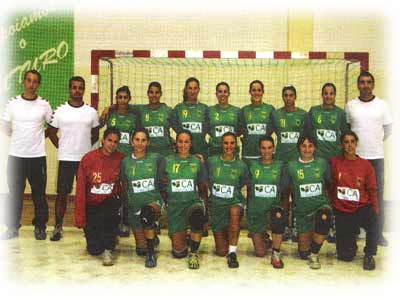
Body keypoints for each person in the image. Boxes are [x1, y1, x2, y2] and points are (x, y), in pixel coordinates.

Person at [1, 70, 53, 240]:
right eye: (29, 80)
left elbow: (52, 127)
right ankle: (12, 227)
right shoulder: (12, 104)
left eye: (35, 81)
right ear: (23, 82)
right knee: (15, 193)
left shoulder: (44, 105)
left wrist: (37, 138)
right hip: (16, 156)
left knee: (39, 194)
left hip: (37, 157)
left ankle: (40, 227)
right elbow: (4, 124)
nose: (32, 84)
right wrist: (17, 137)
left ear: (39, 84)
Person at [47, 76, 99, 241]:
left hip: (85, 161)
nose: (77, 90)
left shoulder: (91, 112)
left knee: (87, 195)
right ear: (69, 89)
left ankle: (88, 227)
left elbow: (96, 134)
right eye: (74, 87)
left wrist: (86, 150)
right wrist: (62, 147)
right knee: (62, 194)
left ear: (84, 90)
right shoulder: (60, 111)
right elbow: (51, 132)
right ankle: (58, 227)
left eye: (80, 87)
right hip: (66, 159)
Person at [345, 71, 393, 246]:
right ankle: (355, 229)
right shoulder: (350, 106)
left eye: (369, 82)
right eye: (362, 82)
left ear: (373, 85)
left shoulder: (382, 105)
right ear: (358, 85)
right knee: (354, 195)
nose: (365, 85)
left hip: (376, 158)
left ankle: (377, 233)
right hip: (355, 159)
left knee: (376, 196)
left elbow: (388, 129)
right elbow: (348, 131)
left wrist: (374, 143)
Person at [158, 130, 208, 269]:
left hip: (192, 202)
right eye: (180, 141)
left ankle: (194, 253)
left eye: (186, 141)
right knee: (178, 252)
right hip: (175, 206)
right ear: (176, 143)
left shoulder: (196, 161)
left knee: (197, 216)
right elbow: (161, 184)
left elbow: (203, 187)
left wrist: (205, 209)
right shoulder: (166, 161)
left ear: (190, 143)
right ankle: (184, 237)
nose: (183, 145)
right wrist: (165, 203)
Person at [74, 127, 124, 266]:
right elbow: (80, 190)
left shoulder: (121, 159)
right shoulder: (88, 159)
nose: (112, 144)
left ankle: (109, 247)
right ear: (103, 140)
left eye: (115, 142)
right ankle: (98, 238)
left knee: (110, 209)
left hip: (110, 205)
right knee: (94, 250)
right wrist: (80, 218)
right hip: (93, 207)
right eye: (109, 140)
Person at [329, 131, 379, 270]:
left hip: (360, 208)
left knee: (375, 220)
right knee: (345, 256)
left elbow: (372, 189)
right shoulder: (334, 162)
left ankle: (369, 255)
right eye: (346, 142)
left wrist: (375, 209)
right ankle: (350, 243)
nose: (349, 145)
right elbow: (330, 185)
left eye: (352, 141)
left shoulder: (365, 165)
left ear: (356, 144)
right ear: (342, 145)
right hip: (342, 211)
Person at [308, 83, 349, 243]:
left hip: (334, 160)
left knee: (333, 193)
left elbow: (345, 136)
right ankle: (312, 225)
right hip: (318, 160)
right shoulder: (313, 111)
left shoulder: (340, 113)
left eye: (331, 93)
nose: (328, 96)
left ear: (334, 95)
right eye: (325, 93)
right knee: (318, 192)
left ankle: (332, 226)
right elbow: (308, 135)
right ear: (322, 95)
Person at [269, 85, 311, 242]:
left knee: (298, 195)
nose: (288, 98)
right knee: (284, 195)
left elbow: (308, 138)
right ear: (282, 97)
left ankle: (296, 226)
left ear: (295, 97)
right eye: (285, 95)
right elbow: (268, 135)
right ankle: (285, 227)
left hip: (298, 162)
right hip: (281, 162)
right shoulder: (276, 114)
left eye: (291, 95)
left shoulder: (303, 115)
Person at [286, 135, 332, 269]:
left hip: (320, 207)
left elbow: (329, 184)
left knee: (325, 216)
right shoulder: (291, 166)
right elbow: (287, 190)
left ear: (315, 147)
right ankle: (312, 244)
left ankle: (315, 254)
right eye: (304, 146)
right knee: (303, 253)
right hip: (302, 213)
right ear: (299, 147)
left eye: (310, 146)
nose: (307, 149)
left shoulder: (322, 163)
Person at [120, 128, 163, 268]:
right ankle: (151, 237)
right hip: (135, 207)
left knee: (147, 214)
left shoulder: (156, 158)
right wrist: (125, 208)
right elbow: (124, 186)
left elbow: (177, 159)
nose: (140, 143)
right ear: (132, 141)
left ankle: (151, 254)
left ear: (148, 142)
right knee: (140, 250)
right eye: (137, 140)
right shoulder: (125, 162)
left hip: (153, 204)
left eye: (143, 140)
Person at [206, 132, 248, 268]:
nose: (229, 146)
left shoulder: (241, 165)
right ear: (221, 144)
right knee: (220, 251)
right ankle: (227, 237)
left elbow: (241, 184)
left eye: (232, 143)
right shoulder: (211, 162)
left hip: (234, 202)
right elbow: (205, 181)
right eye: (226, 143)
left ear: (236, 145)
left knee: (235, 212)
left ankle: (232, 253)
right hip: (217, 206)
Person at [100, 85, 138, 237]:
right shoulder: (110, 114)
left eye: (125, 97)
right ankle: (111, 220)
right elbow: (99, 125)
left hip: (126, 158)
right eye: (119, 97)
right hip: (111, 158)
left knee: (126, 190)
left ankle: (126, 221)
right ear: (116, 99)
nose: (122, 100)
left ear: (129, 99)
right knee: (112, 188)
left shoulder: (134, 117)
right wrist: (106, 111)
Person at [246, 136, 287, 268]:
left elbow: (285, 191)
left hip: (273, 209)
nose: (266, 151)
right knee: (260, 253)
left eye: (269, 148)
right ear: (259, 149)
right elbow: (249, 190)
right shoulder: (252, 165)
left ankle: (276, 253)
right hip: (256, 211)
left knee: (277, 216)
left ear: (273, 149)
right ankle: (265, 238)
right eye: (263, 148)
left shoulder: (280, 166)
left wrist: (283, 211)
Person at [171, 77, 209, 160]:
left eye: (195, 88)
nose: (192, 91)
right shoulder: (178, 108)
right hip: (183, 151)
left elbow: (207, 128)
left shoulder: (205, 109)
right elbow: (175, 127)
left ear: (198, 90)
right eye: (190, 88)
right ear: (186, 90)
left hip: (201, 150)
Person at [239, 80, 275, 165]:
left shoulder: (270, 109)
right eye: (253, 90)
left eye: (259, 90)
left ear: (263, 92)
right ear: (250, 92)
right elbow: (241, 130)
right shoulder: (244, 110)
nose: (256, 93)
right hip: (248, 154)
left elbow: (272, 129)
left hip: (265, 155)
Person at [136, 82, 174, 156]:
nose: (154, 95)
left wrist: (174, 141)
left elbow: (178, 128)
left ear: (161, 94)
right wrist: (109, 108)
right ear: (147, 93)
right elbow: (124, 105)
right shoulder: (141, 110)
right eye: (151, 92)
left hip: (166, 153)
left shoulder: (168, 110)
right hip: (148, 153)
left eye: (157, 92)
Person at [207, 82, 241, 157]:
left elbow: (239, 131)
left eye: (225, 92)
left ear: (229, 94)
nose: (222, 94)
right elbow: (207, 129)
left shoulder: (237, 111)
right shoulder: (209, 110)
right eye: (220, 92)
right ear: (216, 94)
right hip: (214, 152)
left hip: (232, 153)